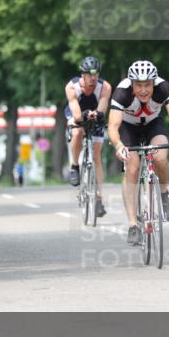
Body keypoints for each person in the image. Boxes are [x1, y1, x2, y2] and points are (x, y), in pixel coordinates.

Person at [107, 60, 169, 246]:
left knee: (160, 156)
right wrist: (119, 146)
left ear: (154, 83)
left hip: (153, 124)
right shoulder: (122, 92)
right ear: (132, 84)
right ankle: (133, 225)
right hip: (128, 128)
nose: (143, 90)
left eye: (147, 85)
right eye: (138, 86)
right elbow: (113, 126)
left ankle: (163, 192)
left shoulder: (163, 88)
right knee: (132, 168)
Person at [65, 56, 112, 217]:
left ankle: (99, 199)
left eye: (96, 74)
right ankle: (74, 166)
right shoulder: (72, 87)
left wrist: (97, 115)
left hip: (94, 112)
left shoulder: (105, 87)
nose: (93, 78)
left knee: (97, 156)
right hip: (77, 112)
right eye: (90, 74)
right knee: (77, 131)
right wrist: (83, 117)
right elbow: (77, 115)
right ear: (82, 75)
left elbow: (102, 108)